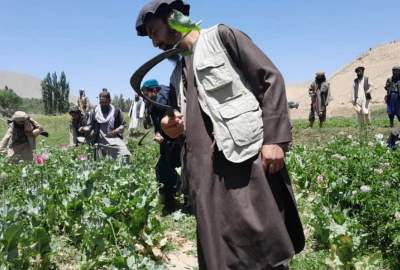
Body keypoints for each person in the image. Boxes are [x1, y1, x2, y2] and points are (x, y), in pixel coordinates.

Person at [136, 1, 305, 269]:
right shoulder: (177, 73)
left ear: (171, 18)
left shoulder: (222, 38)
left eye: (154, 32)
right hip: (205, 174)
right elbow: (184, 121)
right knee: (220, 251)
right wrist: (172, 129)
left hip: (243, 162)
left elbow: (270, 80)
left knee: (261, 243)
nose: (154, 42)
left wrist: (274, 140)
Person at [142, 79, 182, 213]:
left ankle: (170, 203)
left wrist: (165, 136)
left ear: (153, 91)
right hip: (165, 141)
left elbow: (172, 123)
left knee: (167, 169)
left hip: (174, 141)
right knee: (164, 169)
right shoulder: (152, 103)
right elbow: (158, 124)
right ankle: (169, 198)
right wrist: (158, 133)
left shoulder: (164, 101)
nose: (144, 97)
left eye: (145, 93)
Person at [85, 90, 131, 161]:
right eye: (101, 102)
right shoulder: (94, 111)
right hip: (99, 139)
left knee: (125, 154)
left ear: (109, 101)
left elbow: (123, 125)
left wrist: (115, 131)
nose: (103, 104)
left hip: (113, 138)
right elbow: (89, 126)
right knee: (98, 161)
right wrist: (86, 129)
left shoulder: (116, 111)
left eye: (105, 102)